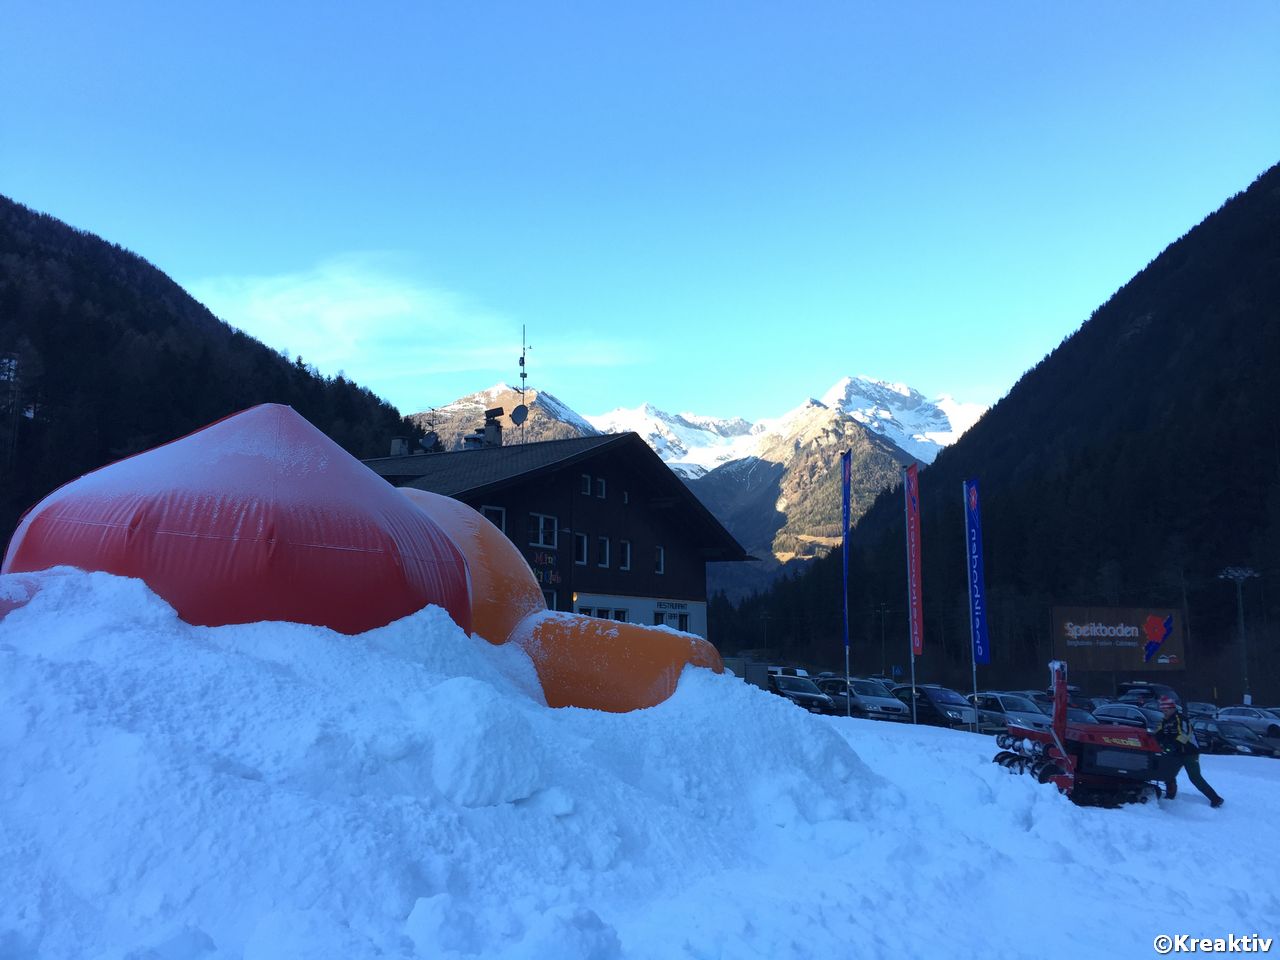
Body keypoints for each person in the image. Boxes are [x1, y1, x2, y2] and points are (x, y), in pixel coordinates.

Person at [1155, 695, 1224, 808]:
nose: (1164, 712)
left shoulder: (1181, 719)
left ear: (1172, 708)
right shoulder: (1164, 721)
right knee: (1168, 773)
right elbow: (1158, 734)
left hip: (1189, 752)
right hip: (1175, 753)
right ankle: (1170, 796)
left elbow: (1184, 734)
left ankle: (1215, 799)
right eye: (1162, 710)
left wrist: (1173, 745)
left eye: (1165, 710)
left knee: (1194, 777)